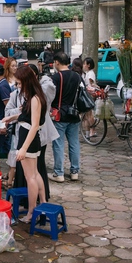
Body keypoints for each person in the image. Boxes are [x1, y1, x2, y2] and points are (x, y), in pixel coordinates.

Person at [2, 66, 47, 223]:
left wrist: (23, 148)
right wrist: (12, 118)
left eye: (20, 84)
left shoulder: (34, 99)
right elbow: (25, 115)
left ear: (27, 81)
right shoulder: (33, 96)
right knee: (35, 173)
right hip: (29, 137)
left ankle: (31, 211)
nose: (18, 87)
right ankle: (43, 203)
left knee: (30, 177)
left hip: (28, 138)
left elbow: (34, 125)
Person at [49, 52, 82, 182]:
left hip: (60, 115)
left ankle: (59, 173)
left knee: (58, 144)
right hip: (74, 114)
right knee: (74, 143)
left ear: (57, 62)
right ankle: (75, 171)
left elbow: (51, 96)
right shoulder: (77, 76)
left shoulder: (56, 78)